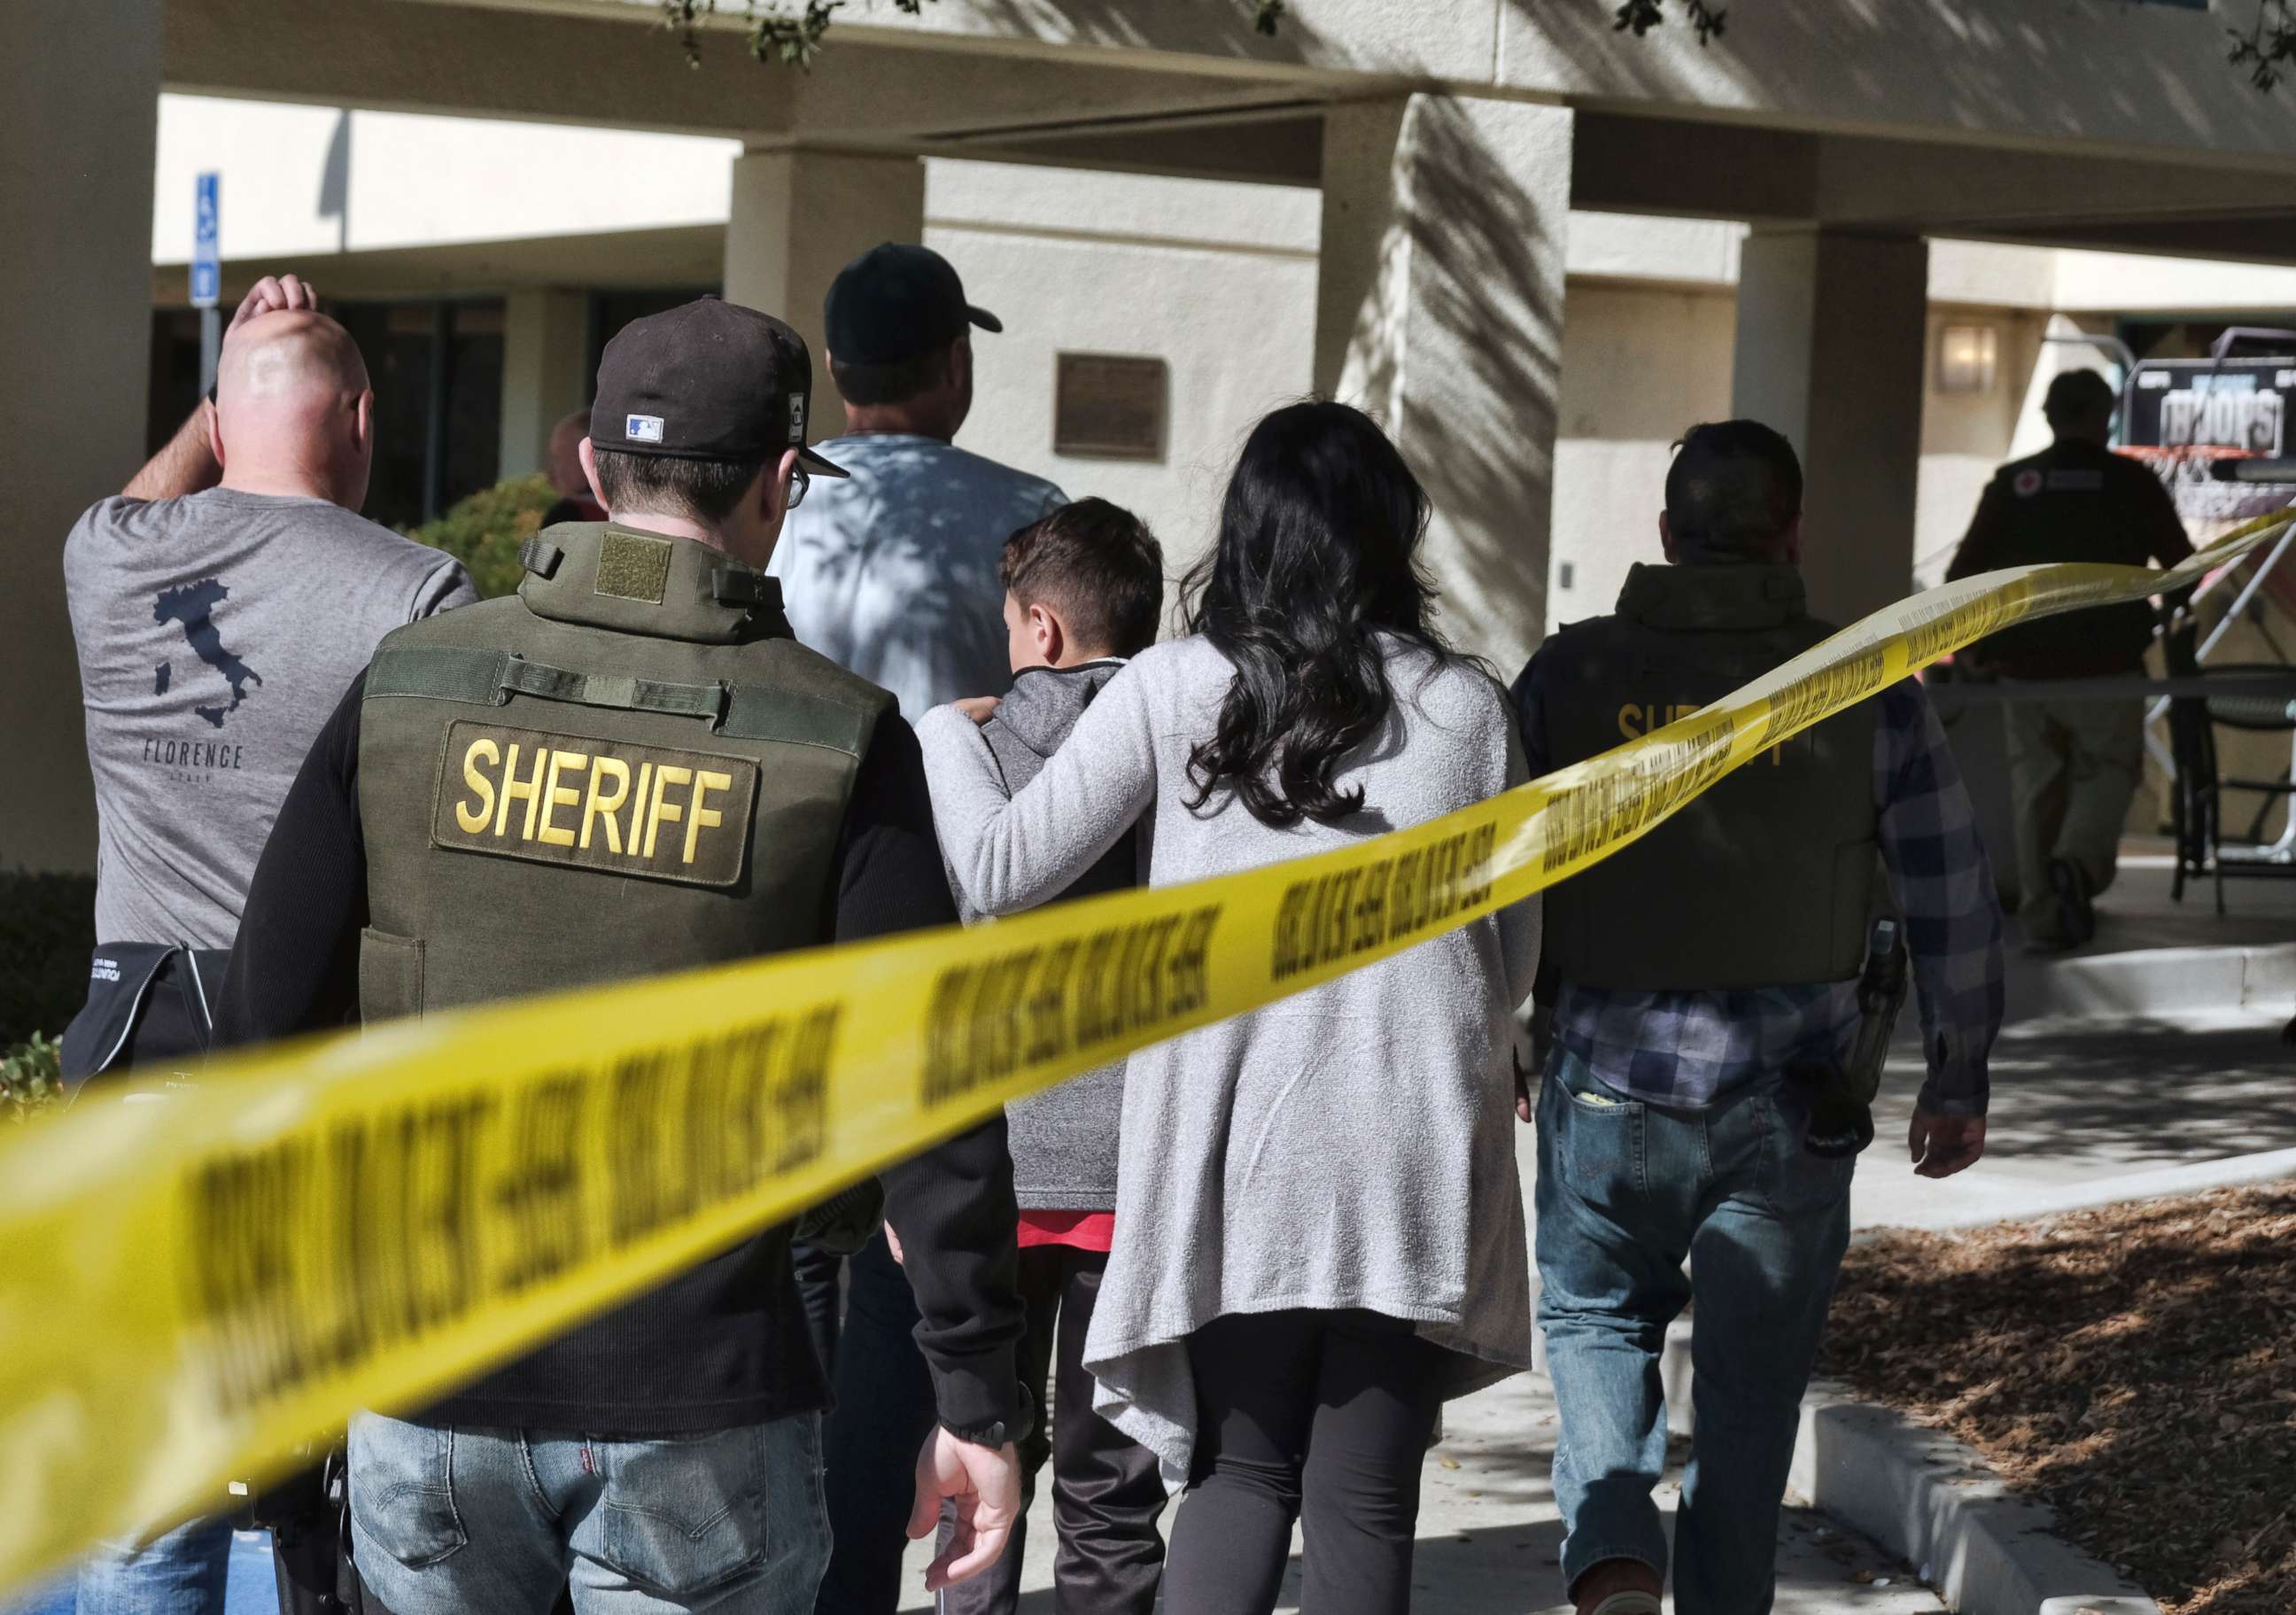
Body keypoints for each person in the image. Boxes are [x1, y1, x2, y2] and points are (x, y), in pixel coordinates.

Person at [210, 297, 1028, 1615]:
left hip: (428, 1387)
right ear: (781, 482)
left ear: (593, 468)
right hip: (701, 1403)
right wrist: (980, 1394)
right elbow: (932, 1085)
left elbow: (262, 1037)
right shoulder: (836, 736)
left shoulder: (412, 685)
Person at [920, 400, 1541, 1615]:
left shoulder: (1171, 686)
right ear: (1390, 535)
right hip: (1408, 1148)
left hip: (1232, 1152)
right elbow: (1510, 965)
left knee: (1238, 1473)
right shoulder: (1470, 708)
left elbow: (998, 872)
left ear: (1246, 534)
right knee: (1364, 1500)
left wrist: (948, 728)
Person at [1512, 420, 2004, 1615]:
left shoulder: (1568, 676)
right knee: (1748, 1390)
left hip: (1598, 1088)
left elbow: (1497, 877)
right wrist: (1958, 1068)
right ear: (1792, 534)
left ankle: (1617, 1553)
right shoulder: (1864, 679)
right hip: (1790, 1105)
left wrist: (1492, 1045)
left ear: (1667, 535)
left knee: (1592, 1321)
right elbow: (1948, 883)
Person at [59, 272, 477, 1615]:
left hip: (133, 1076)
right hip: (317, 1079)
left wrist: (223, 391)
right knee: (341, 1497)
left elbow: (148, 489)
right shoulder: (422, 594)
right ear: (358, 417)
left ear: (226, 420)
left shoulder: (110, 556)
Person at [764, 240, 1064, 1615]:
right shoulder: (1030, 520)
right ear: (953, 366)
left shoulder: (774, 509)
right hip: (959, 968)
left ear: (835, 373)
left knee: (800, 1301)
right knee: (930, 1308)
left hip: (773, 951)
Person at [935, 498, 1171, 1615]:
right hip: (1134, 1170)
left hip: (990, 1167)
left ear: (1040, 631)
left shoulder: (969, 753)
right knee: (1113, 1492)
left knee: (977, 1469)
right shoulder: (1189, 761)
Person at [1946, 368, 2194, 952]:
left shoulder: (2014, 483)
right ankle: (2077, 868)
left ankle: (2043, 918)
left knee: (2036, 791)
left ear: (2051, 417)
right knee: (2109, 771)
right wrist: (2163, 617)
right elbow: (2181, 568)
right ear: (2104, 414)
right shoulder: (2131, 481)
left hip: (2023, 667)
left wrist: (1979, 649)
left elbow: (1962, 576)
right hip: (2108, 666)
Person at [767, 241, 1066, 722]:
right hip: (963, 796)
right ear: (956, 362)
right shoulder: (1037, 513)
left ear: (831, 366)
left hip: (796, 793)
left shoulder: (771, 495)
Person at [542, 408, 608, 526]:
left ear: (588, 457)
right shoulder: (635, 515)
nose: (550, 474)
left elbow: (539, 545)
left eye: (558, 458)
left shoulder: (564, 516)